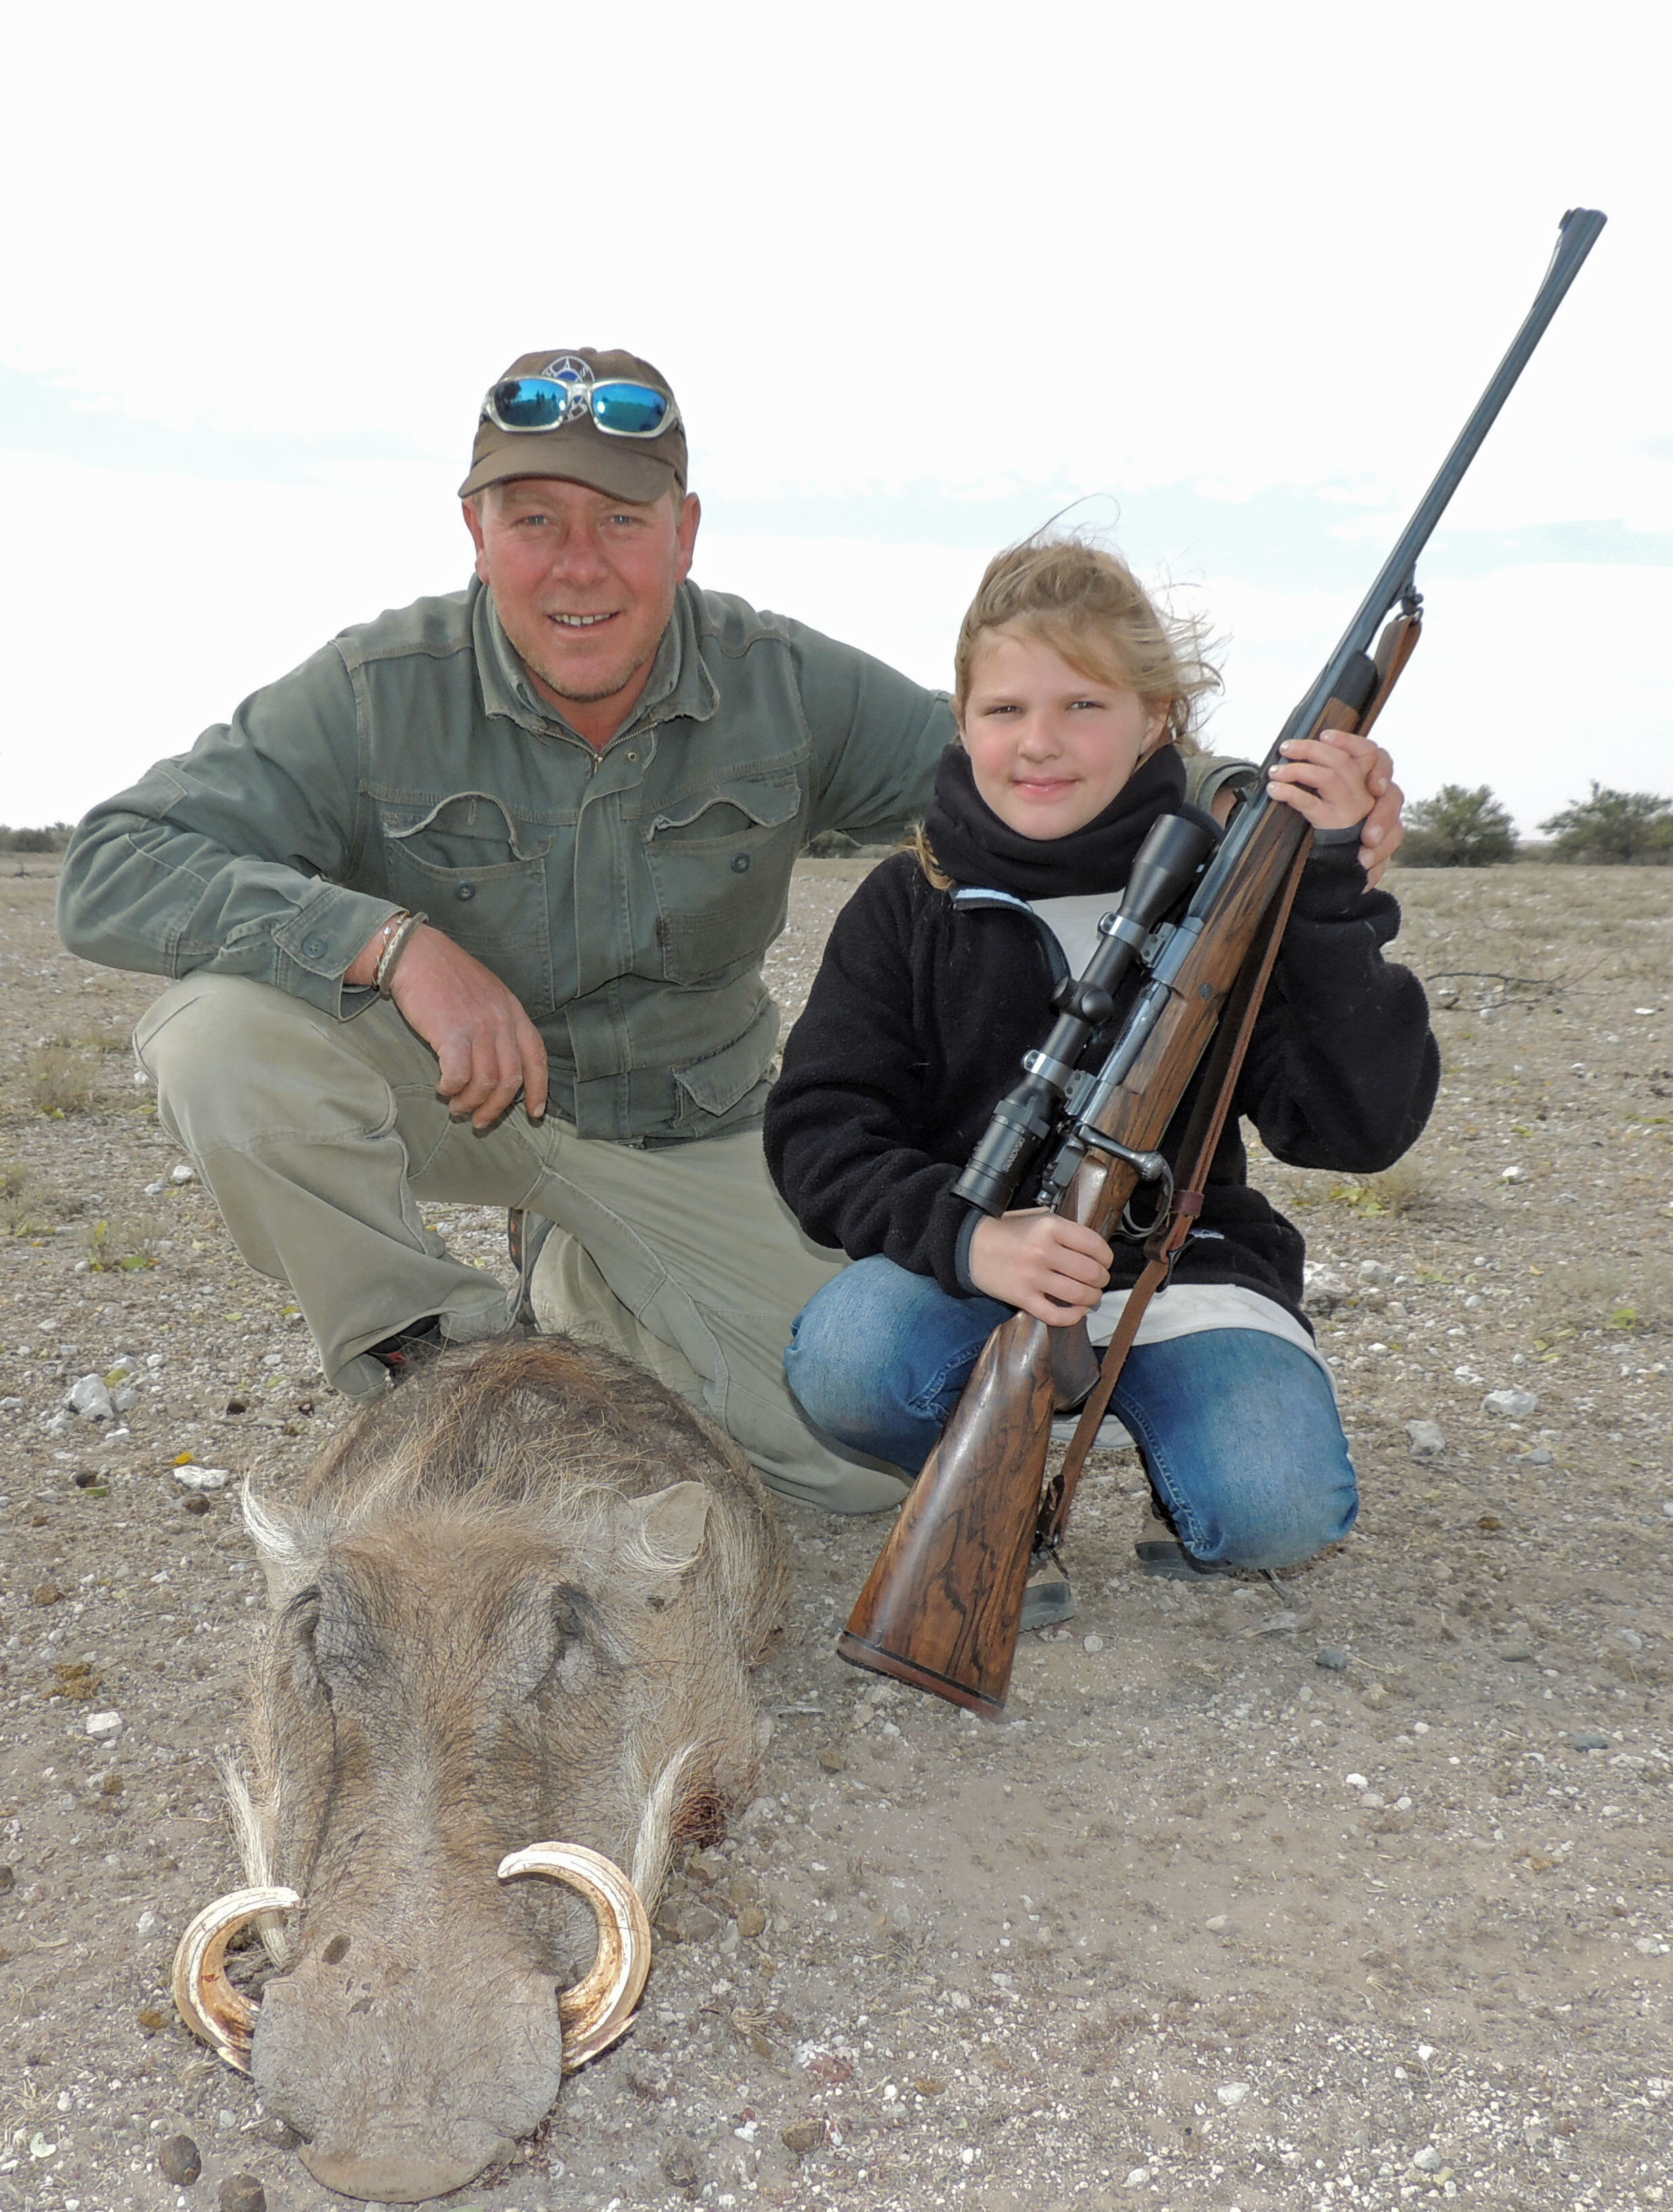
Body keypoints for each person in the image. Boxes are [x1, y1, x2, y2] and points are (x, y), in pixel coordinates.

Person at [56, 348, 1406, 1515]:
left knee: (861, 1456)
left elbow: (1037, 757)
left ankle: (593, 1281)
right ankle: (430, 1367)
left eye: (622, 520)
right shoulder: (364, 691)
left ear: (685, 529)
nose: (578, 563)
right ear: (473, 529)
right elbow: (112, 866)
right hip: (448, 1093)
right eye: (533, 518)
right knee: (217, 1037)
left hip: (696, 1129)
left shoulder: (784, 681)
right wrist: (395, 946)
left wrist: (1263, 805)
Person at [764, 534, 1439, 1584]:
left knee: (1274, 1514)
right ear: (961, 722)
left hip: (1181, 1270)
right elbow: (816, 1133)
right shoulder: (906, 900)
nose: (1039, 743)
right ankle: (981, 1478)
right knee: (850, 1364)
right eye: (1004, 710)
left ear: (1155, 718)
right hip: (974, 1270)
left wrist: (1330, 891)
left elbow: (1354, 1132)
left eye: (1082, 706)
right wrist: (974, 1239)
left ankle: (1154, 1446)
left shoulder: (1239, 895)